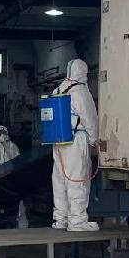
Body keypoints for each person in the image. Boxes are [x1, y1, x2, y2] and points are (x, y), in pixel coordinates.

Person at [51, 58, 100, 232]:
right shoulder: (80, 92)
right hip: (76, 140)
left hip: (58, 141)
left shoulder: (58, 89)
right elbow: (90, 119)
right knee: (78, 179)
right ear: (83, 73)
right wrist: (95, 140)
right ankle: (77, 221)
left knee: (60, 179)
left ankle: (61, 219)